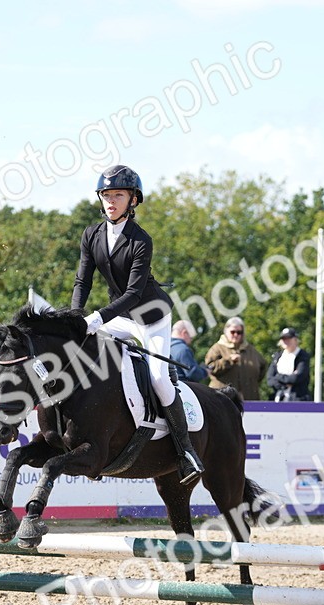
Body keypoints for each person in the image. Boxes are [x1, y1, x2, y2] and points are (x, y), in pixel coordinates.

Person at [70, 164, 203, 485]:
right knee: (83, 355)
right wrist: (75, 317)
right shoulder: (91, 234)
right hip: (119, 317)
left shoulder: (141, 240)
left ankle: (186, 451)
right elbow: (82, 280)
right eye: (106, 195)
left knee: (158, 378)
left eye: (119, 195)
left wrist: (98, 317)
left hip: (151, 317)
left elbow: (132, 293)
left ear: (133, 200)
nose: (111, 201)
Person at [204, 317, 265, 401]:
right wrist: (228, 361)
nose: (236, 335)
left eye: (239, 332)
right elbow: (210, 368)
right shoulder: (217, 348)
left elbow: (263, 367)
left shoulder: (250, 349)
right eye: (233, 332)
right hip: (222, 398)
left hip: (249, 398)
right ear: (226, 332)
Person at [265, 327, 311, 401]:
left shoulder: (302, 356)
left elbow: (297, 377)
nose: (286, 341)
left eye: (289, 338)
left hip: (297, 399)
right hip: (278, 398)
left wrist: (278, 377)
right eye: (283, 339)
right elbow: (270, 378)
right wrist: (282, 383)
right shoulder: (277, 356)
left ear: (295, 339)